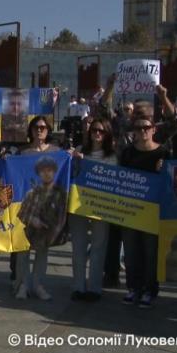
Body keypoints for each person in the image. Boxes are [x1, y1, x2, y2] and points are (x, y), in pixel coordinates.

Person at [120, 114, 170, 309]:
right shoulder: (127, 153)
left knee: (151, 253)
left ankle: (150, 290)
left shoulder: (164, 152)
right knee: (131, 253)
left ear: (153, 129)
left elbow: (170, 181)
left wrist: (163, 170)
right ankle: (133, 288)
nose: (143, 131)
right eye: (139, 128)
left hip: (153, 210)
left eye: (146, 127)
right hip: (131, 209)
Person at [14, 116, 63, 301]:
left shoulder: (57, 152)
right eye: (36, 127)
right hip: (26, 206)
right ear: (31, 130)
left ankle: (38, 284)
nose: (40, 130)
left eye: (43, 127)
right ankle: (22, 285)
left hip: (47, 208)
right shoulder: (22, 153)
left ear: (48, 130)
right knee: (23, 249)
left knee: (42, 249)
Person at [69, 118, 117, 301]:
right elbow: (71, 174)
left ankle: (95, 287)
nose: (97, 133)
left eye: (101, 131)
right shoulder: (80, 151)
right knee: (78, 246)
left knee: (99, 246)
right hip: (79, 204)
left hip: (100, 205)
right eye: (94, 130)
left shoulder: (111, 156)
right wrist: (75, 160)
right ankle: (78, 286)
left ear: (107, 134)